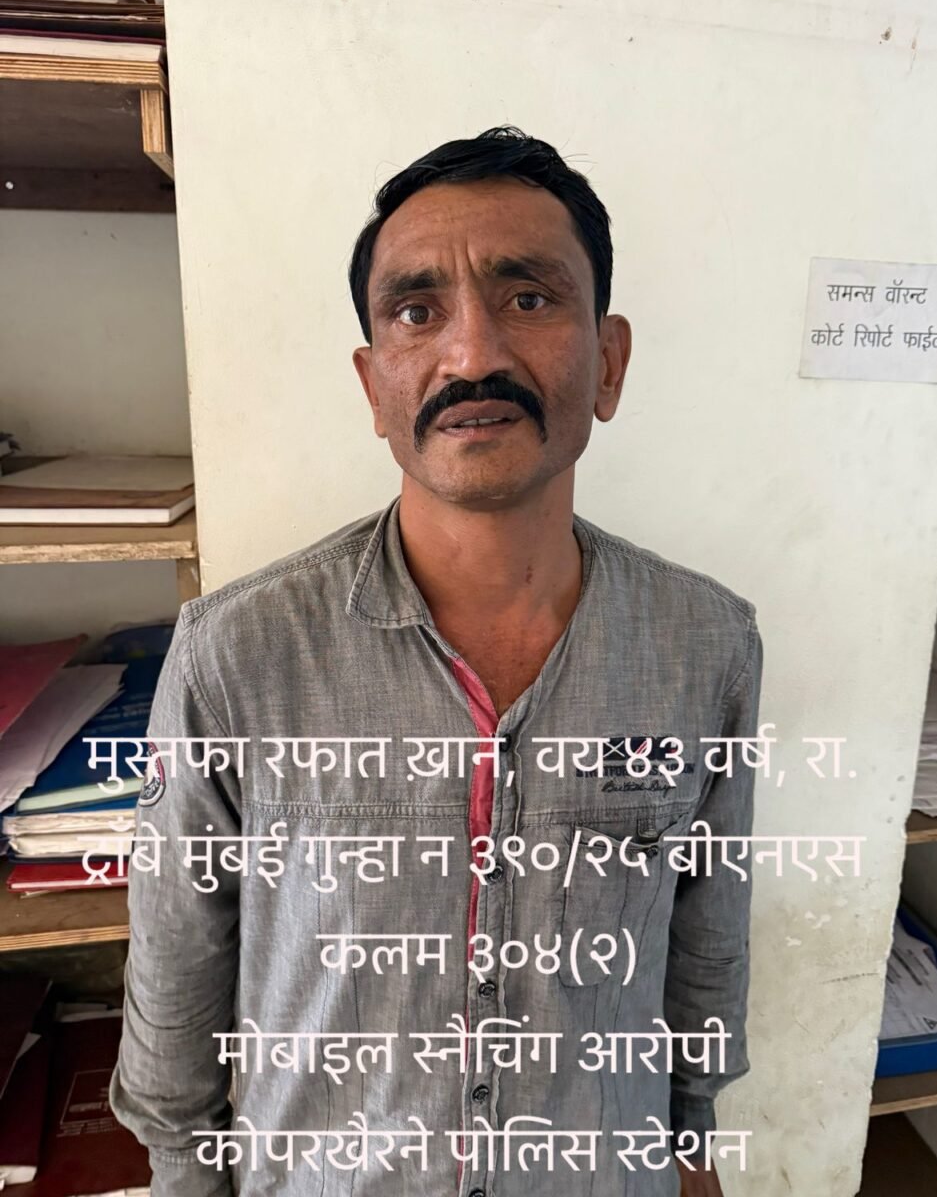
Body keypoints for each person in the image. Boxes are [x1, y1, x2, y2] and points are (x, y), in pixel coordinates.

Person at [111, 126, 763, 1197]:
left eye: (528, 297)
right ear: (375, 385)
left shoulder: (708, 645)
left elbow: (707, 936)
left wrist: (690, 1143)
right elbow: (177, 967)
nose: (472, 355)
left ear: (608, 362)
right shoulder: (238, 655)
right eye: (417, 311)